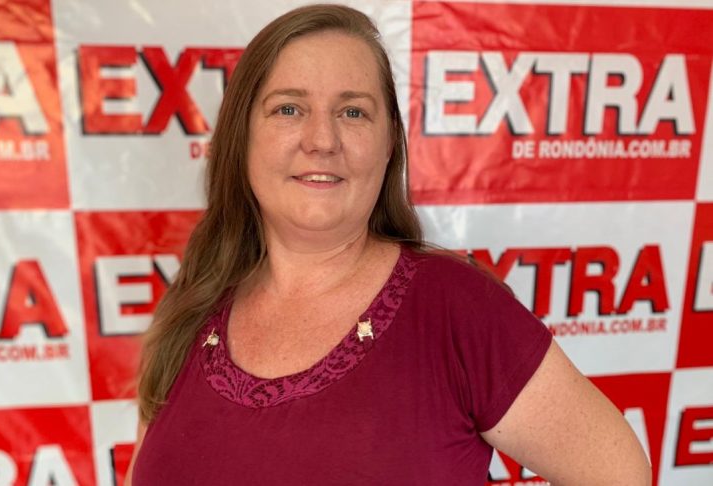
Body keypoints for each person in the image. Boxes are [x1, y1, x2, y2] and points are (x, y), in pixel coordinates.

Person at [126, 4, 651, 485]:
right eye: (288, 109)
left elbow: (618, 476)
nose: (322, 140)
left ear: (388, 145)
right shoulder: (194, 304)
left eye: (353, 112)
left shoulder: (457, 309)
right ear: (240, 138)